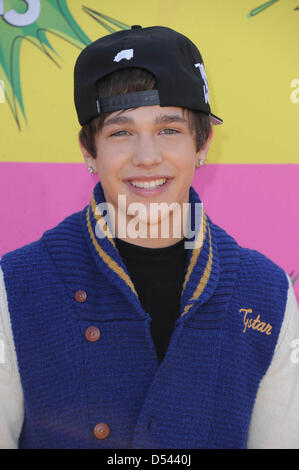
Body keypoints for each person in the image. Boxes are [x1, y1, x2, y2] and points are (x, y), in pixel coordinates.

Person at [0, 25, 299, 449]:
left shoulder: (265, 291)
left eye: (169, 130)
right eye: (121, 132)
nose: (146, 157)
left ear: (203, 143)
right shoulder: (15, 285)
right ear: (89, 150)